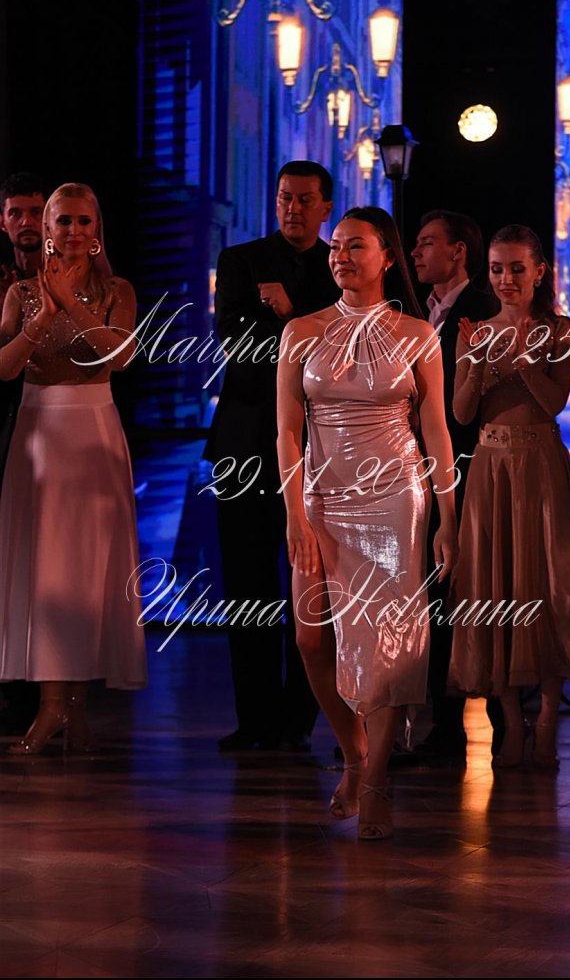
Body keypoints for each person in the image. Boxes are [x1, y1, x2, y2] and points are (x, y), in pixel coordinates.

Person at [277, 206, 457, 839]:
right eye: (336, 247)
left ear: (387, 257)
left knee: (387, 643)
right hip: (323, 498)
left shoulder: (418, 334)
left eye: (356, 246)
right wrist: (294, 512)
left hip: (395, 496)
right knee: (310, 638)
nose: (341, 256)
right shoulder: (301, 331)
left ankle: (376, 778)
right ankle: (354, 752)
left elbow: (436, 430)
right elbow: (287, 432)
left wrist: (448, 516)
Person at [448, 224, 570, 769]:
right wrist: (478, 363)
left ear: (540, 271)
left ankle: (547, 720)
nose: (506, 279)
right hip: (491, 468)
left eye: (517, 268)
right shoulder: (475, 331)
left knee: (548, 583)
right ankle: (512, 722)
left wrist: (519, 360)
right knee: (497, 586)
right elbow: (461, 413)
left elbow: (554, 401)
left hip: (540, 468)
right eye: (496, 269)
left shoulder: (559, 330)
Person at [0, 182, 146, 754]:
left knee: (89, 570)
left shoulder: (117, 290)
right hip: (40, 433)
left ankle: (76, 707)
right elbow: (5, 368)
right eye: (64, 221)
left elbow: (122, 355)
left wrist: (73, 303)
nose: (74, 231)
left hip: (94, 430)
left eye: (84, 221)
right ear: (48, 229)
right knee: (47, 572)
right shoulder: (20, 292)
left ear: (97, 229)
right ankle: (51, 706)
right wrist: (44, 313)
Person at [204, 160, 340, 753]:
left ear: (325, 206)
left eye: (305, 199)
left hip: (319, 450)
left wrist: (287, 315)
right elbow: (235, 344)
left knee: (313, 587)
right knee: (247, 585)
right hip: (245, 443)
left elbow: (342, 356)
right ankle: (254, 719)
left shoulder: (340, 266)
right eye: (285, 197)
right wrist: (303, 328)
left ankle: (298, 720)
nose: (292, 208)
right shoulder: (241, 261)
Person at [411, 209, 502, 762]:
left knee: (464, 592)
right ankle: (439, 724)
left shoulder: (483, 310)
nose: (416, 252)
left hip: (468, 468)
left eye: (427, 243)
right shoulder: (419, 310)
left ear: (458, 251)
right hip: (419, 470)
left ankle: (472, 725)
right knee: (433, 593)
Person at [0, 173, 48, 733]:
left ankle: (43, 692)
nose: (27, 222)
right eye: (17, 212)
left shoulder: (79, 279)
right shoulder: (8, 284)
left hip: (48, 420)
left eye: (36, 212)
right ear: (4, 221)